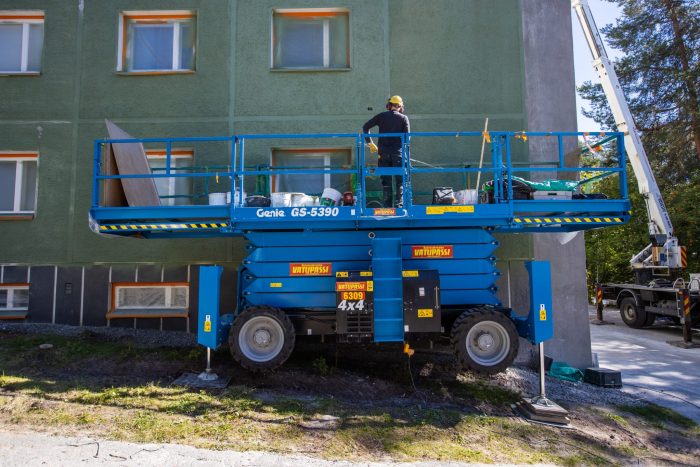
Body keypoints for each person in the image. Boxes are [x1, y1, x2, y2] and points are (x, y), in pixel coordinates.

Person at [362, 95, 410, 208]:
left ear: (389, 105)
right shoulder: (403, 118)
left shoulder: (381, 116)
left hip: (383, 154)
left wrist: (370, 143)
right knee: (400, 180)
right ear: (400, 106)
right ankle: (399, 205)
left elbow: (365, 127)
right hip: (398, 154)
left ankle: (387, 206)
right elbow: (408, 138)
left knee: (386, 181)